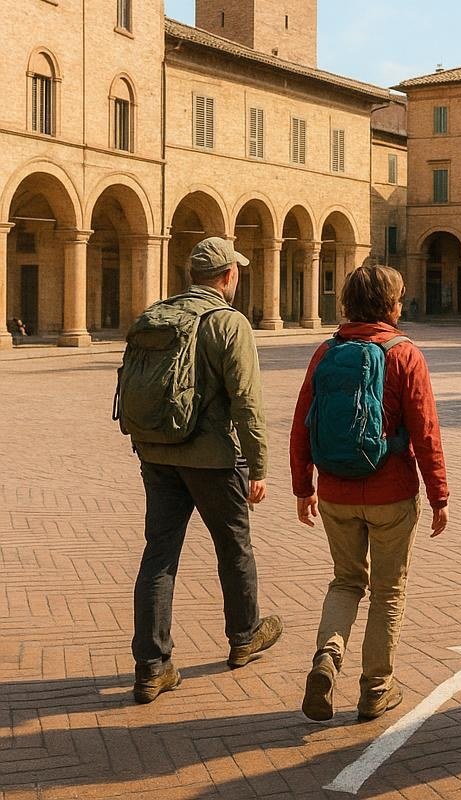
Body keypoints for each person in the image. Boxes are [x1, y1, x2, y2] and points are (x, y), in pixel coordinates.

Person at [125, 237, 282, 704]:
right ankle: (244, 636)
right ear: (228, 275)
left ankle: (152, 667)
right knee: (234, 547)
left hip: (156, 452)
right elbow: (248, 403)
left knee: (159, 555)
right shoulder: (228, 323)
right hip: (212, 458)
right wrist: (258, 466)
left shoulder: (159, 314)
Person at [291, 265, 450, 722]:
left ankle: (327, 654)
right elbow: (425, 432)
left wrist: (304, 486)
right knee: (387, 592)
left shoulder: (326, 351)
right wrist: (439, 494)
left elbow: (302, 423)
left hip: (336, 491)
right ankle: (376, 688)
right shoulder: (405, 354)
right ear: (390, 306)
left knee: (345, 580)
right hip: (392, 492)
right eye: (399, 298)